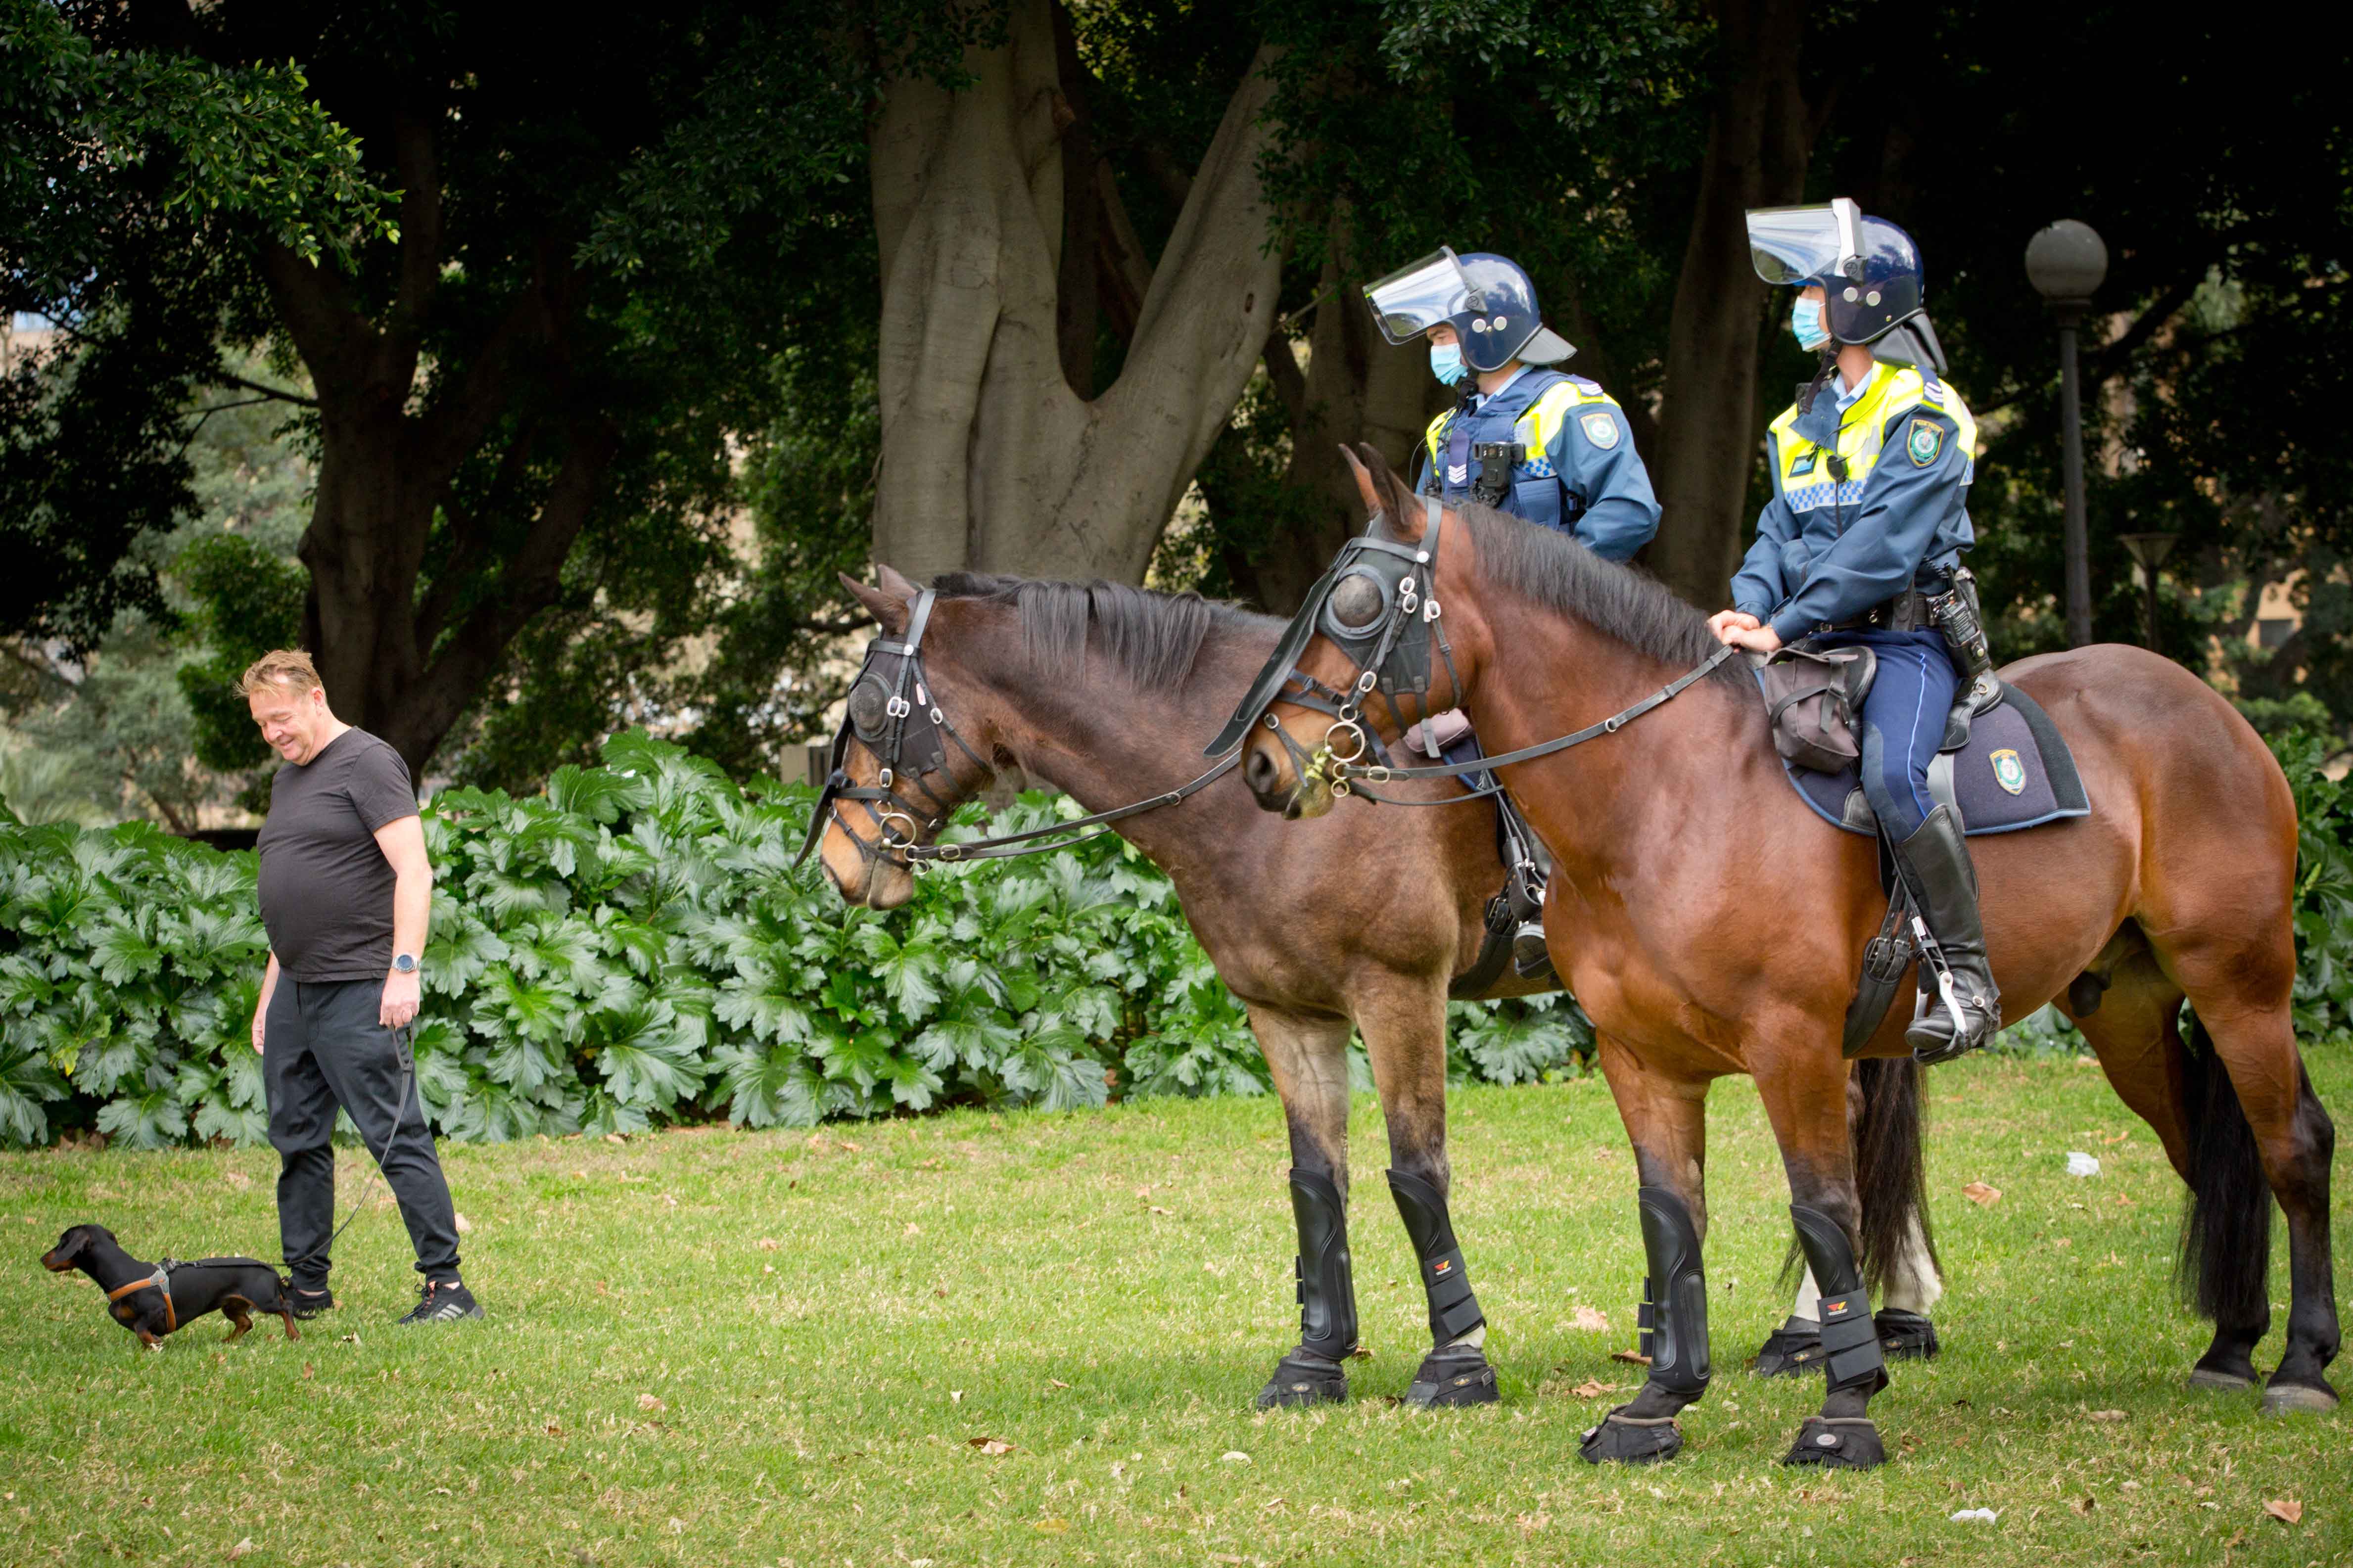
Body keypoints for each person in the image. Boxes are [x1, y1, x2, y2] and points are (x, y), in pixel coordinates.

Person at [1707, 198, 2000, 1061]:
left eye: (1811, 289)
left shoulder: (1927, 412)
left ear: (1863, 302)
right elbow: (1777, 532)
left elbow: (1881, 549)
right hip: (1808, 641)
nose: (1799, 305)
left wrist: (1784, 622)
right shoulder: (1795, 425)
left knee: (1894, 776)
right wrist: (1750, 606)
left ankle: (1966, 979)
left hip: (1906, 638)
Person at [1361, 249, 1664, 976]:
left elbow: (1631, 511)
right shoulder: (1446, 433)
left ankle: (1558, 894)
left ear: (1487, 332)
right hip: (1480, 641)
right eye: (1435, 339)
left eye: (1442, 337)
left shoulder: (1571, 406)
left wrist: (1541, 588)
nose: (1438, 352)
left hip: (1568, 636)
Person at [244, 650, 482, 1323]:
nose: (273, 734)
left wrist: (404, 968)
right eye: (262, 724)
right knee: (296, 1139)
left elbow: (415, 870)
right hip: (295, 989)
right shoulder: (288, 781)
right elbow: (289, 897)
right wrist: (269, 997)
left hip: (358, 986)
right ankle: (309, 1286)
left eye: (280, 718)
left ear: (316, 697)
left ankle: (447, 1286)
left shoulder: (369, 762)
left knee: (393, 1134)